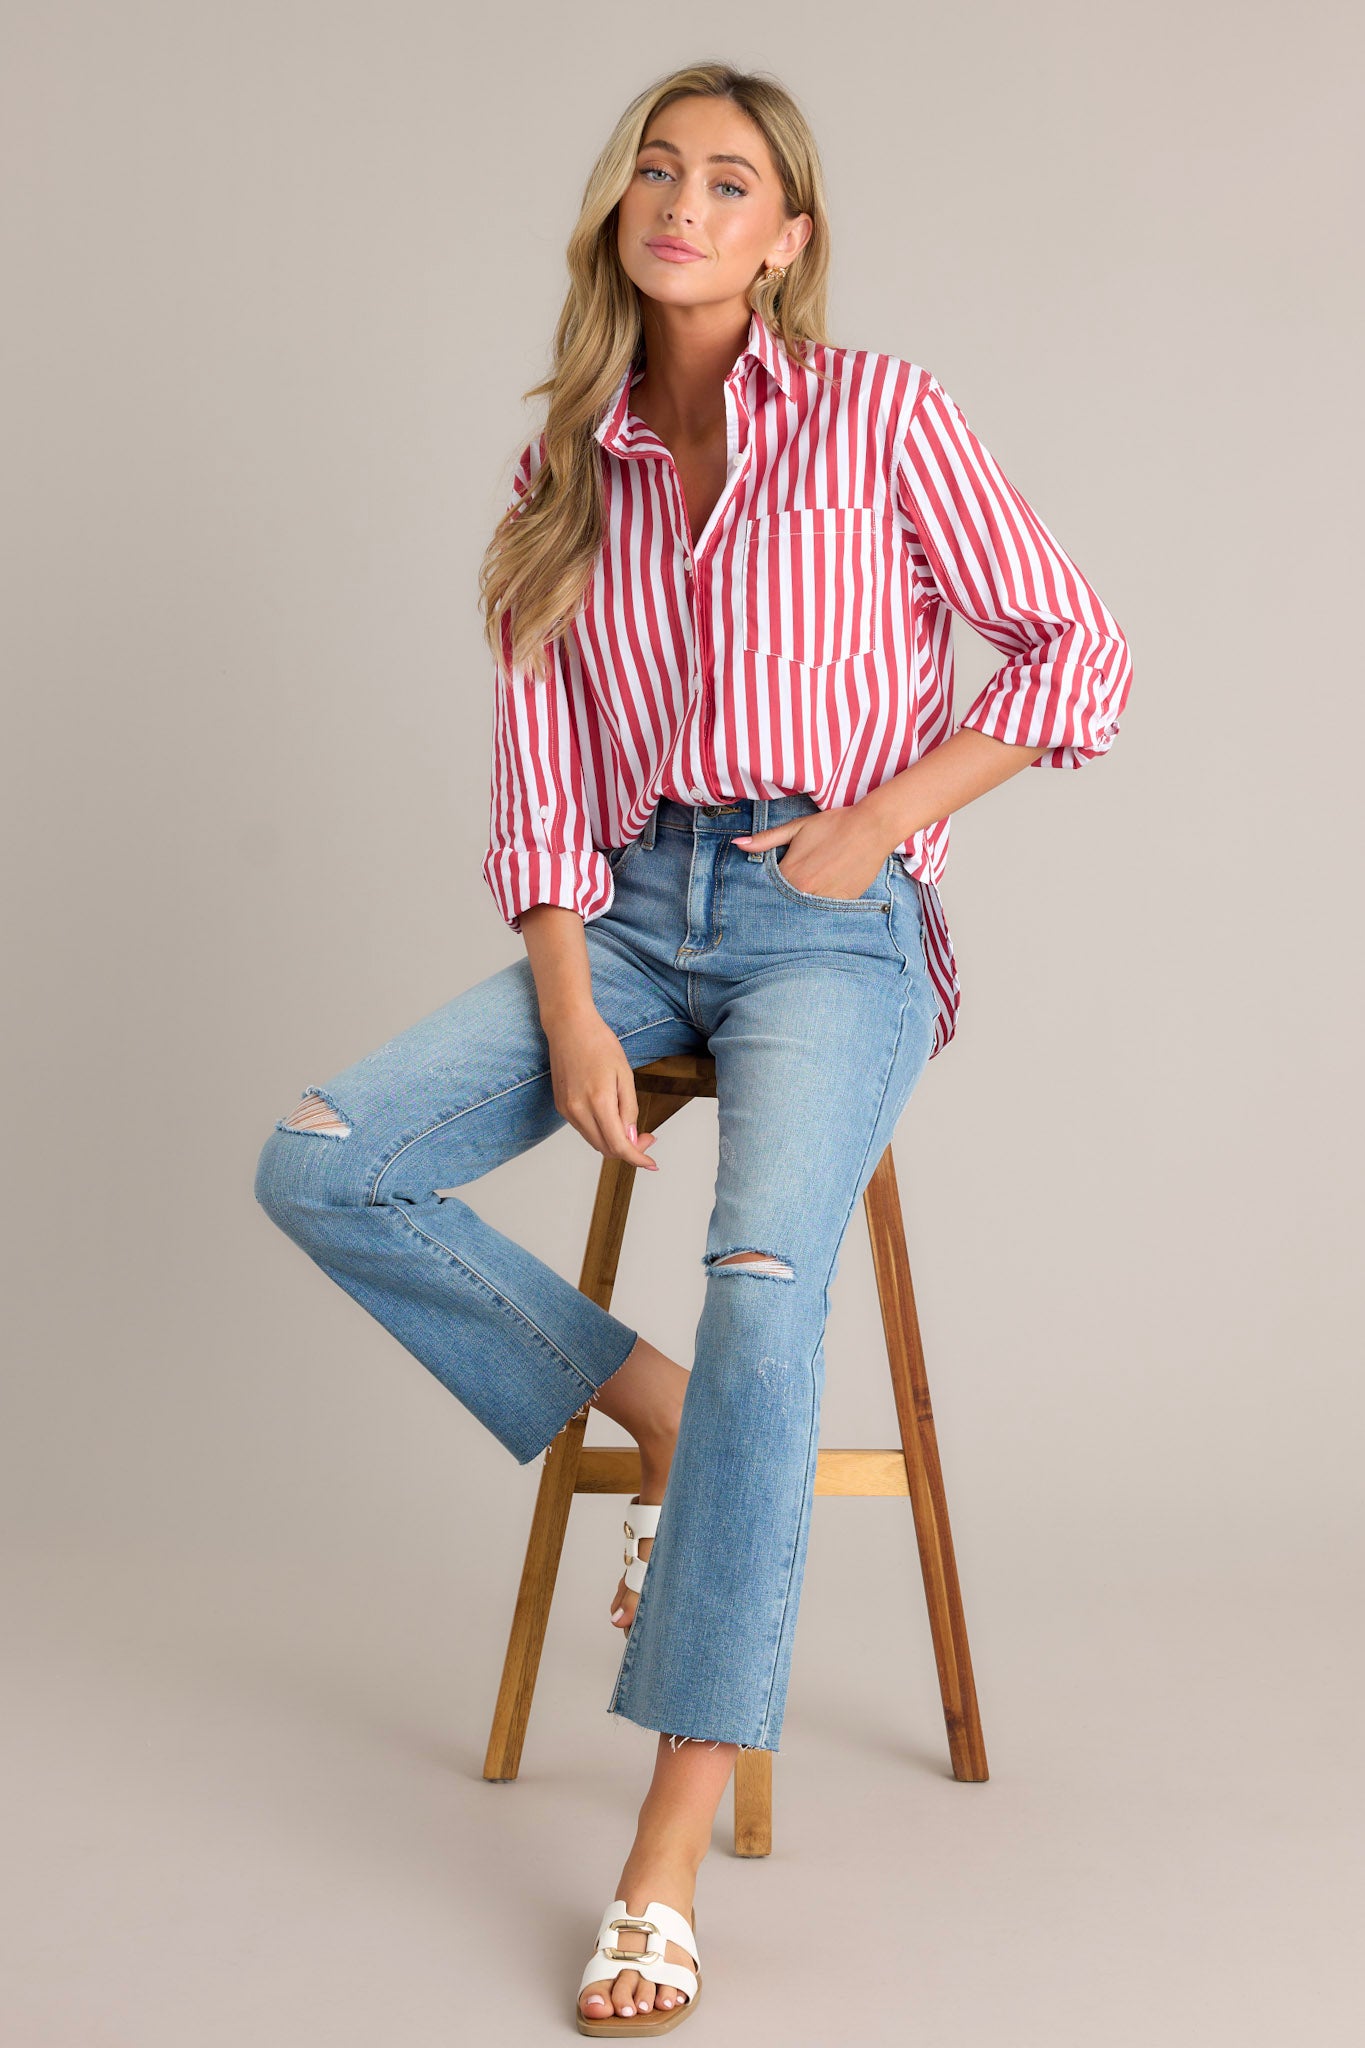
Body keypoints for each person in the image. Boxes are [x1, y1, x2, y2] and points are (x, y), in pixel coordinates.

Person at [253, 59, 1132, 2037]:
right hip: (627, 915)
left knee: (764, 1288)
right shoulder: (560, 463)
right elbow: (539, 772)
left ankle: (660, 1853)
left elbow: (1075, 647)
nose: (681, 200)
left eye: (727, 180)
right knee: (322, 1156)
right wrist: (568, 996)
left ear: (784, 237)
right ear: (619, 209)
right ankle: (659, 1407)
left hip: (829, 922)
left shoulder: (874, 415)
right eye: (657, 168)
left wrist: (886, 818)